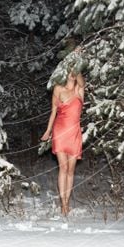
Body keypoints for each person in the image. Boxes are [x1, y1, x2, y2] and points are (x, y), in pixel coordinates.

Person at [41, 68, 84, 216]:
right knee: (63, 168)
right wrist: (48, 131)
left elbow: (81, 81)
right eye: (70, 71)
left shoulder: (80, 90)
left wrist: (76, 63)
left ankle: (68, 199)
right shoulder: (58, 89)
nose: (72, 74)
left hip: (74, 134)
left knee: (71, 170)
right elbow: (53, 111)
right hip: (60, 131)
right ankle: (63, 203)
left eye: (74, 71)